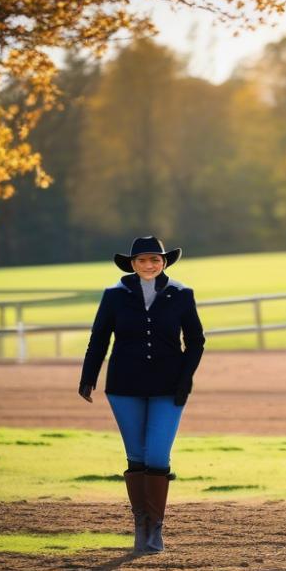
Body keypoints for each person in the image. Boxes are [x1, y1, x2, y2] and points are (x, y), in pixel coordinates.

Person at [78, 235, 205, 554]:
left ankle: (156, 528)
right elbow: (99, 340)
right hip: (124, 386)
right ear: (132, 265)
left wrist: (185, 378)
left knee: (157, 457)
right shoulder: (113, 296)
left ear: (164, 262)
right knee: (136, 456)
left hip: (168, 387)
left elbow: (196, 341)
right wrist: (88, 377)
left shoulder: (181, 294)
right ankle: (142, 527)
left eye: (155, 260)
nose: (150, 265)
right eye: (143, 260)